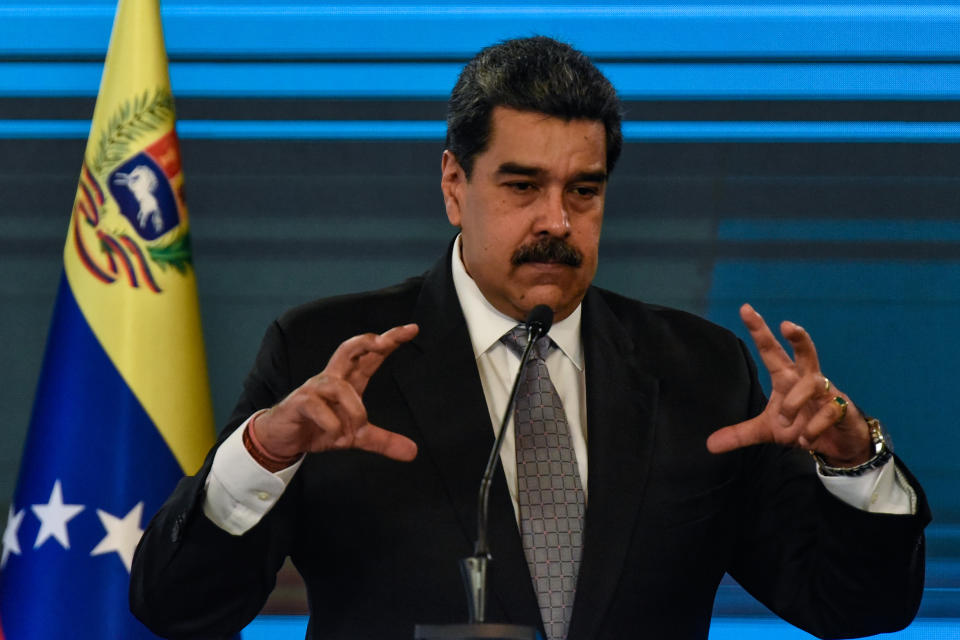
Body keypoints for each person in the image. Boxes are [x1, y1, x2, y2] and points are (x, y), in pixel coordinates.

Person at [130, 36, 929, 640]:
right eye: (522, 186)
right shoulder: (329, 356)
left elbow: (855, 606)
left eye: (584, 190)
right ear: (454, 186)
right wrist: (265, 452)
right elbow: (180, 607)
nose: (557, 220)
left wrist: (852, 461)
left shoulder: (699, 371)